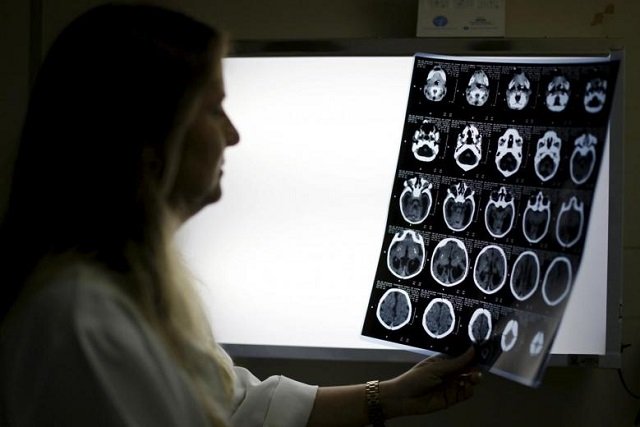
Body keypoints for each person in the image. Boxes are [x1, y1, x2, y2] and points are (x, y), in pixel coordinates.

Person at [0, 4, 481, 426]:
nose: (232, 135)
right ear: (147, 142)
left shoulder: (135, 292)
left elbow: (233, 407)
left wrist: (391, 397)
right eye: (214, 111)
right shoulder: (81, 323)